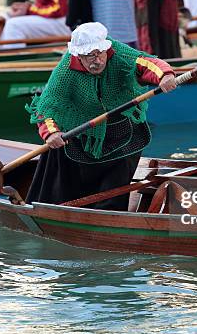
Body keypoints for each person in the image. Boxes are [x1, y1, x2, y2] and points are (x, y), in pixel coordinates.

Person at [25, 22, 176, 211]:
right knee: (64, 176)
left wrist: (165, 75)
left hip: (122, 131)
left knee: (117, 184)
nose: (96, 61)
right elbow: (46, 107)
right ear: (78, 55)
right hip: (81, 134)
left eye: (99, 54)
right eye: (89, 56)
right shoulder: (65, 72)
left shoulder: (118, 52)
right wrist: (51, 133)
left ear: (106, 48)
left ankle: (110, 215)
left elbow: (147, 62)